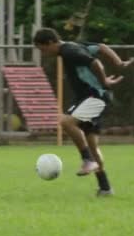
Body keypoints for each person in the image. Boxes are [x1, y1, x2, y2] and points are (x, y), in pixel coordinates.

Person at [34, 28, 127, 197]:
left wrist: (104, 81)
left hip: (95, 96)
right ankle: (105, 188)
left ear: (50, 43)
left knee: (66, 121)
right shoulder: (73, 46)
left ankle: (87, 160)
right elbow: (101, 47)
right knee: (92, 144)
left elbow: (95, 63)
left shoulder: (69, 51)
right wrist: (118, 62)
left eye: (43, 49)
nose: (44, 53)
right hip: (89, 97)